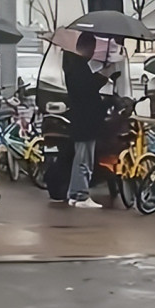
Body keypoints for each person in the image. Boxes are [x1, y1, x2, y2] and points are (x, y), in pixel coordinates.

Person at [62, 33, 109, 209]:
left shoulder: (72, 66)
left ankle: (74, 194)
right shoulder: (80, 68)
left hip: (78, 119)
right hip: (86, 121)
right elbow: (88, 95)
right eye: (94, 48)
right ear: (89, 47)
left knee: (80, 159)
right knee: (84, 160)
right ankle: (81, 195)